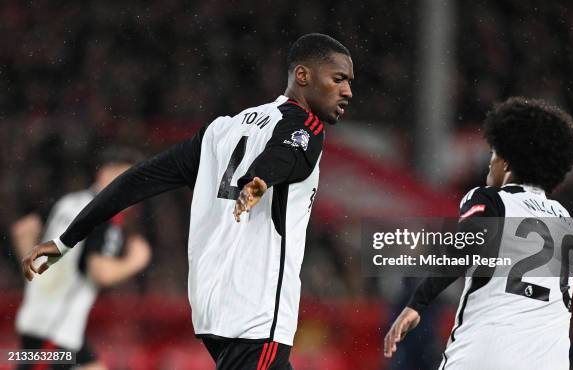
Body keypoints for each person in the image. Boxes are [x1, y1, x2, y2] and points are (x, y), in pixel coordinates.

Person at [21, 33, 353, 369]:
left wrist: (66, 240)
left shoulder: (219, 131)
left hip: (213, 313)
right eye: (338, 79)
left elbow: (136, 180)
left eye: (349, 82)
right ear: (303, 75)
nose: (347, 91)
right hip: (256, 315)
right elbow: (286, 154)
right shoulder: (307, 126)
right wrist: (260, 179)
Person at [384, 97, 573, 370]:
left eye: (494, 153)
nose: (490, 162)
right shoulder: (565, 219)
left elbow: (462, 249)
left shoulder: (491, 200)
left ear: (509, 163)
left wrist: (417, 303)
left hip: (486, 352)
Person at [11, 147, 151, 370]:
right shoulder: (107, 212)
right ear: (105, 173)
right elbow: (100, 272)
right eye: (130, 180)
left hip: (47, 322)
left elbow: (23, 230)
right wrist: (136, 261)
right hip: (55, 331)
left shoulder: (69, 202)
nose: (135, 192)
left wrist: (36, 275)